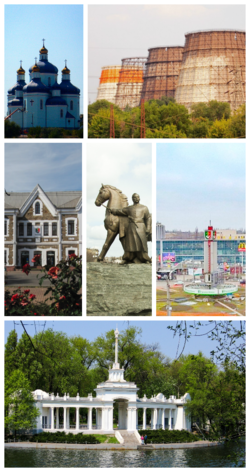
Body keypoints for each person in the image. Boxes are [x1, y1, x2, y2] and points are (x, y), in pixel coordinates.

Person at [109, 193, 152, 263]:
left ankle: (144, 258)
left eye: (137, 197)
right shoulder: (129, 208)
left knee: (142, 244)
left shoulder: (144, 208)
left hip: (141, 226)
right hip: (131, 227)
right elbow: (120, 211)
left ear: (139, 198)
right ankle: (129, 258)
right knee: (130, 244)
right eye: (134, 198)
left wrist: (148, 228)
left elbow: (148, 218)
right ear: (132, 199)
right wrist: (112, 210)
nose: (136, 199)